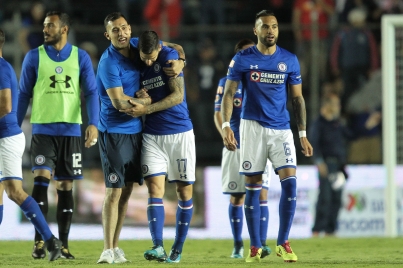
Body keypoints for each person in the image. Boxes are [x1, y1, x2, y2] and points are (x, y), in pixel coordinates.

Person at [221, 10, 313, 263]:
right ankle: (255, 246)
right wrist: (227, 125)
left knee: (290, 183)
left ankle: (283, 242)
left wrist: (302, 134)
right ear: (256, 30)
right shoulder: (242, 59)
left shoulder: (290, 60)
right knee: (252, 186)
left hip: (281, 129)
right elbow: (229, 94)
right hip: (251, 128)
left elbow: (297, 98)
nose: (270, 31)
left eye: (273, 26)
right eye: (264, 27)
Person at [96, 13, 186, 264]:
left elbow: (176, 47)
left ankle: (116, 247)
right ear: (108, 35)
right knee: (113, 191)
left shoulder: (137, 44)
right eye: (115, 30)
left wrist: (181, 61)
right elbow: (118, 102)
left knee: (125, 193)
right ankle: (106, 249)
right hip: (114, 131)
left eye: (124, 27)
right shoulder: (108, 63)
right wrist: (146, 101)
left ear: (130, 29)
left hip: (136, 132)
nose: (121, 33)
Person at [17, 11, 99, 260]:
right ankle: (40, 242)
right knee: (40, 180)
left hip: (71, 130)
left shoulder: (80, 57)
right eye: (44, 25)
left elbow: (92, 92)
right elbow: (22, 95)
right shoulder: (34, 57)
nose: (44, 29)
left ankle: (63, 245)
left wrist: (93, 123)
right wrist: (13, 127)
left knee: (65, 185)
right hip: (43, 129)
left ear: (64, 29)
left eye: (50, 26)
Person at [120, 30, 195, 264]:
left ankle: (178, 248)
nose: (149, 61)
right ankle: (158, 246)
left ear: (159, 49)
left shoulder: (168, 58)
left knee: (184, 192)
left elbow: (178, 96)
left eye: (152, 57)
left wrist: (182, 61)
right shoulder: (137, 53)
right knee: (155, 191)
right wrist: (142, 98)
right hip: (152, 135)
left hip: (180, 133)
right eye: (145, 57)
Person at [0, 28, 62, 261]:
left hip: (6, 138)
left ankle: (50, 240)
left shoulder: (1, 68)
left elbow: (6, 106)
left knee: (15, 192)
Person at [214, 38, 272, 259]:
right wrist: (225, 135)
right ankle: (238, 244)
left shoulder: (265, 78)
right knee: (237, 197)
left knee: (262, 195)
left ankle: (262, 244)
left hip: (259, 142)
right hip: (236, 143)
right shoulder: (227, 81)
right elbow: (218, 113)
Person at [309, 94, 349, 237]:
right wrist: (319, 162)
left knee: (336, 199)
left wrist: (367, 126)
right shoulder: (318, 124)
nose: (339, 107)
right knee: (324, 198)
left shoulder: (337, 124)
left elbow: (350, 136)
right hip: (326, 164)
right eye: (336, 104)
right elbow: (314, 143)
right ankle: (317, 230)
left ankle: (330, 231)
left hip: (338, 167)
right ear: (327, 106)